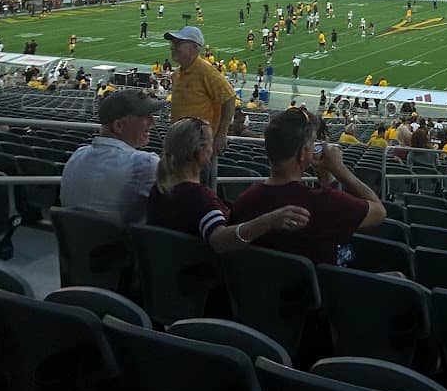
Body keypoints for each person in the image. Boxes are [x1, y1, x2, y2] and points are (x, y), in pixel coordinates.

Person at [229, 106, 386, 265]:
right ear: (304, 152)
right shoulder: (325, 202)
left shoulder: (245, 200)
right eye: (312, 143)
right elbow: (379, 212)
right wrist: (339, 169)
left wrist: (326, 178)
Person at [146, 117, 310, 251]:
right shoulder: (199, 197)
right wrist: (269, 221)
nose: (213, 148)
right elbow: (219, 239)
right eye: (210, 142)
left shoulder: (159, 189)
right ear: (200, 151)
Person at [60, 88, 167, 223]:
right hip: (123, 236)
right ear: (118, 126)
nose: (152, 122)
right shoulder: (145, 163)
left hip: (74, 235)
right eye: (144, 116)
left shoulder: (77, 155)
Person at [165, 26, 234, 188]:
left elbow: (229, 98)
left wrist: (221, 134)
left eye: (178, 43)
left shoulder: (205, 71)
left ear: (194, 48)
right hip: (180, 144)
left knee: (197, 190)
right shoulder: (178, 73)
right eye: (173, 43)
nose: (173, 47)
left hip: (198, 147)